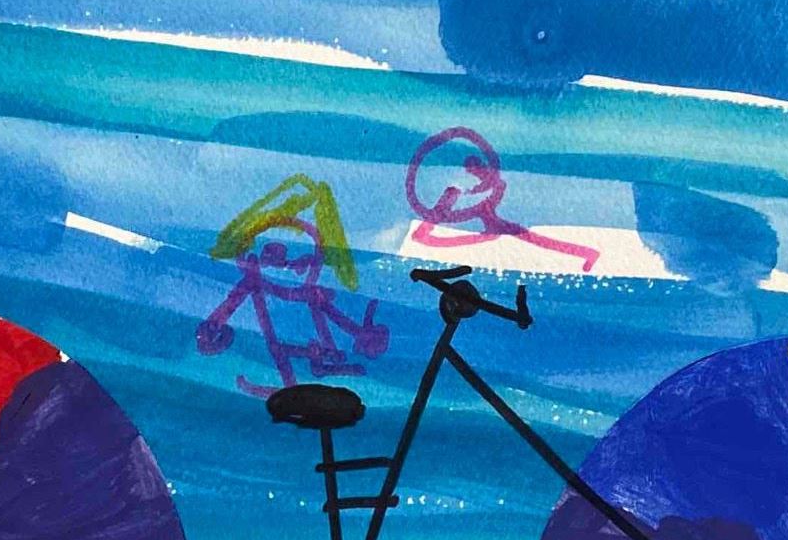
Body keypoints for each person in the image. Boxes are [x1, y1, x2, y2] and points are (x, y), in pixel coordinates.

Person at [199, 175, 389, 397]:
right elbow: (230, 304)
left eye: (287, 259)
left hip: (303, 339)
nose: (282, 266)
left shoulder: (305, 290)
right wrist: (212, 328)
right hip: (285, 340)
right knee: (288, 358)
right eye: (272, 256)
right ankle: (310, 374)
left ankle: (319, 368)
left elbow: (333, 314)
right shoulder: (257, 282)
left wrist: (360, 331)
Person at [405, 126, 600, 273]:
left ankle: (587, 253)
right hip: (476, 209)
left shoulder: (473, 187)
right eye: (473, 168)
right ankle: (586, 253)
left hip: (482, 209)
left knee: (525, 235)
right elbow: (424, 234)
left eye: (476, 168)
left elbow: (498, 185)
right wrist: (478, 236)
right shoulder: (453, 192)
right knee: (524, 234)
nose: (475, 172)